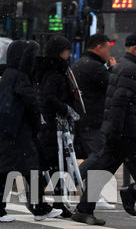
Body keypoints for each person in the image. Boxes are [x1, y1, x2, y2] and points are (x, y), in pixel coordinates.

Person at [0, 40, 63, 222]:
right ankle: (34, 207)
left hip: (11, 129)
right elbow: (30, 102)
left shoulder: (10, 73)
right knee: (30, 169)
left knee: (12, 171)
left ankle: (1, 209)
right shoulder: (20, 76)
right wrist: (39, 123)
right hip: (18, 130)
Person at [71, 34, 136, 226]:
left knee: (100, 171)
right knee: (100, 170)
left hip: (119, 132)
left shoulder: (121, 66)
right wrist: (116, 132)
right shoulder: (129, 69)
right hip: (127, 133)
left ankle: (84, 210)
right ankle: (130, 192)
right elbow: (119, 104)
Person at [35, 35, 76, 217]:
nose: (69, 54)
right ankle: (50, 202)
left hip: (56, 126)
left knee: (56, 167)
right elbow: (49, 97)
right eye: (66, 51)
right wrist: (65, 107)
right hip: (53, 127)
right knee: (56, 166)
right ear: (60, 52)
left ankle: (47, 201)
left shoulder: (54, 71)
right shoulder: (54, 73)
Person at [72, 34, 114, 174]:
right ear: (98, 47)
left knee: (99, 155)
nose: (109, 54)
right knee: (99, 155)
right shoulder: (94, 67)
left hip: (84, 118)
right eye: (107, 49)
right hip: (93, 120)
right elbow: (113, 85)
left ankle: (89, 192)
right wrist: (113, 69)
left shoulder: (81, 63)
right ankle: (71, 181)